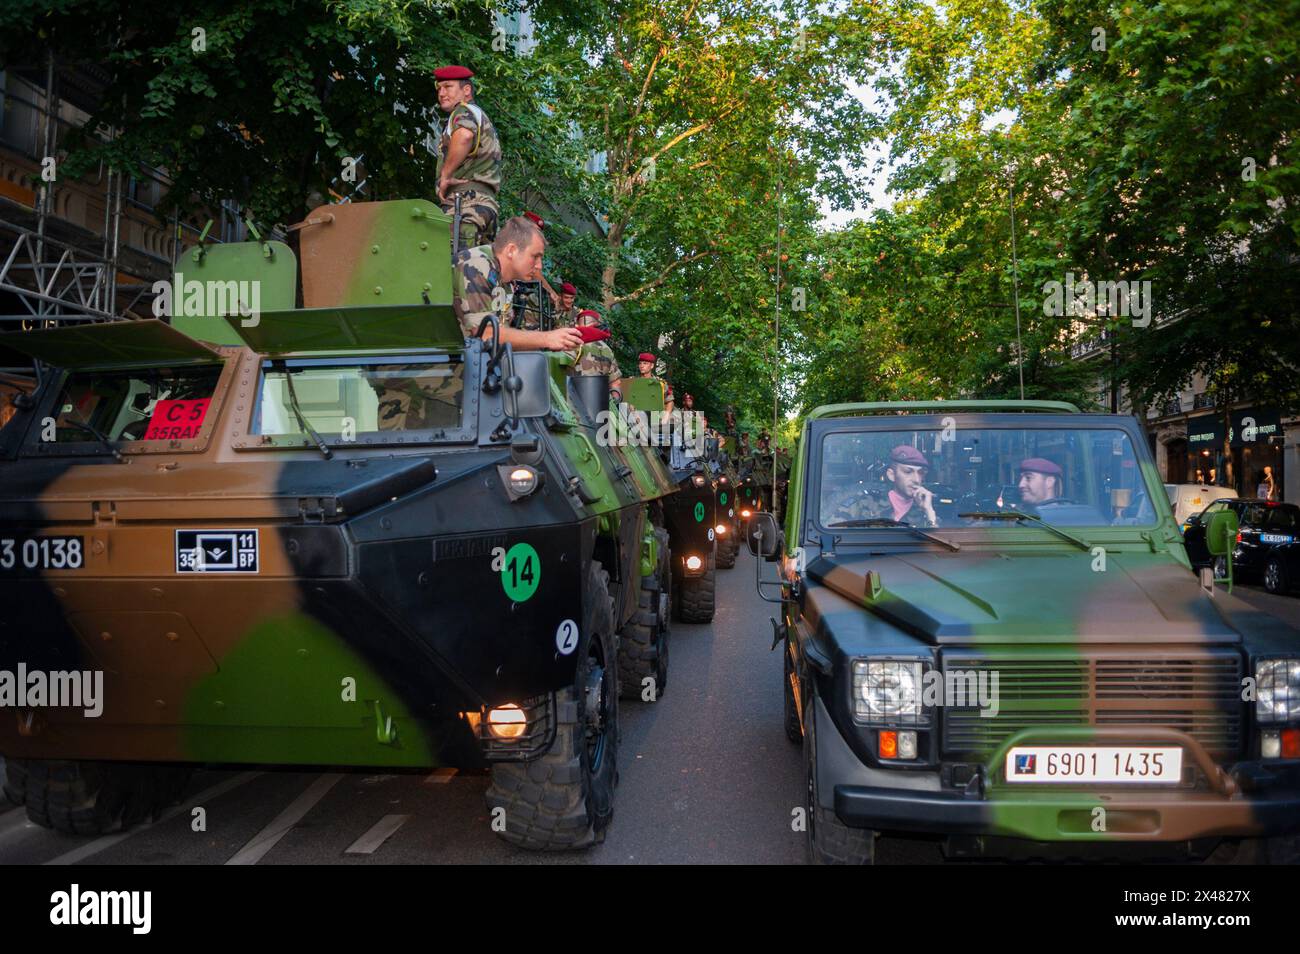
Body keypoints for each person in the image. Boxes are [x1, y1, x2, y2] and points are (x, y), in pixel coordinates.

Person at [452, 216, 583, 351]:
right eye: (535, 256)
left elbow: (503, 334)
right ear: (511, 250)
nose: (539, 266)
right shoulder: (476, 264)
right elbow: (486, 334)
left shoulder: (506, 283)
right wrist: (547, 338)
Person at [434, 65, 503, 252]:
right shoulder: (479, 115)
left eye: (448, 87)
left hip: (464, 206)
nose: (441, 93)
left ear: (466, 90)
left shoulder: (463, 111)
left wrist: (446, 176)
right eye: (439, 88)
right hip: (484, 206)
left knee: (453, 274)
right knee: (478, 275)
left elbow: (464, 136)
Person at [822, 445, 939, 527]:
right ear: (891, 475)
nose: (917, 479)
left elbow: (940, 549)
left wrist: (929, 512)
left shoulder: (926, 509)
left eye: (920, 472)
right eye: (908, 472)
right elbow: (831, 534)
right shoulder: (864, 502)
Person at [571, 309, 623, 390]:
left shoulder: (569, 344)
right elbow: (615, 384)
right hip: (599, 399)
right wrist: (616, 402)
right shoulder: (607, 350)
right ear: (597, 324)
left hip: (570, 399)